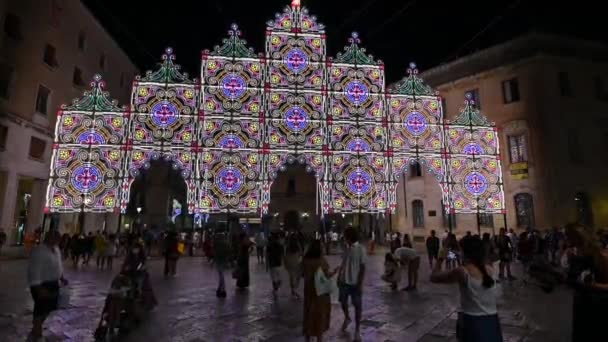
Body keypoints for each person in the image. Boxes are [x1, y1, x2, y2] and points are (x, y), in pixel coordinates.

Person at [430, 235, 503, 342]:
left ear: (465, 252)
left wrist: (441, 257)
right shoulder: (490, 269)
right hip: (492, 321)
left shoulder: (462, 272)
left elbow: (434, 277)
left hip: (472, 322)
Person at [27, 230, 68, 342]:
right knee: (40, 309)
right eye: (55, 238)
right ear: (48, 238)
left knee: (49, 308)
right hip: (41, 284)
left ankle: (36, 329)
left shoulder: (56, 249)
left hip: (53, 283)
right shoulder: (39, 251)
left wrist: (61, 277)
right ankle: (37, 333)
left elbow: (58, 264)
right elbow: (34, 270)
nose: (58, 241)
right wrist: (38, 288)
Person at [302, 239, 338, 342]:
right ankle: (319, 338)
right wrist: (335, 272)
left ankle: (307, 337)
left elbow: (302, 274)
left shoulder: (305, 260)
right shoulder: (321, 261)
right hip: (320, 292)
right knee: (319, 315)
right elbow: (326, 276)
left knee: (308, 313)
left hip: (308, 290)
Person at [338, 227, 366, 341]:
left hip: (355, 283)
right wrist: (339, 276)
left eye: (345, 236)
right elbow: (343, 263)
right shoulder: (346, 248)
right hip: (344, 281)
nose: (343, 238)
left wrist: (360, 283)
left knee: (357, 306)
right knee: (343, 302)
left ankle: (357, 330)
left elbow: (363, 267)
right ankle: (347, 317)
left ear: (349, 236)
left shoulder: (360, 249)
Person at [266, 232, 284, 297]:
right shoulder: (280, 246)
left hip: (272, 264)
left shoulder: (269, 245)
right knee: (280, 279)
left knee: (274, 278)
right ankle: (275, 289)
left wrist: (267, 265)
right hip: (278, 264)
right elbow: (283, 255)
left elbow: (267, 256)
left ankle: (275, 289)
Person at [285, 235, 303, 299]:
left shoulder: (288, 246)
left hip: (289, 262)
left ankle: (293, 289)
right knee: (298, 276)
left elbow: (286, 254)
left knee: (291, 276)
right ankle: (295, 288)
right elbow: (301, 253)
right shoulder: (297, 245)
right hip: (296, 261)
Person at [213, 232, 230, 298]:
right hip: (223, 260)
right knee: (221, 274)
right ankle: (220, 288)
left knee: (221, 274)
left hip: (219, 260)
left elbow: (214, 252)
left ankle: (222, 289)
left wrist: (214, 260)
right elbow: (229, 251)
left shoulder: (216, 243)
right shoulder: (226, 243)